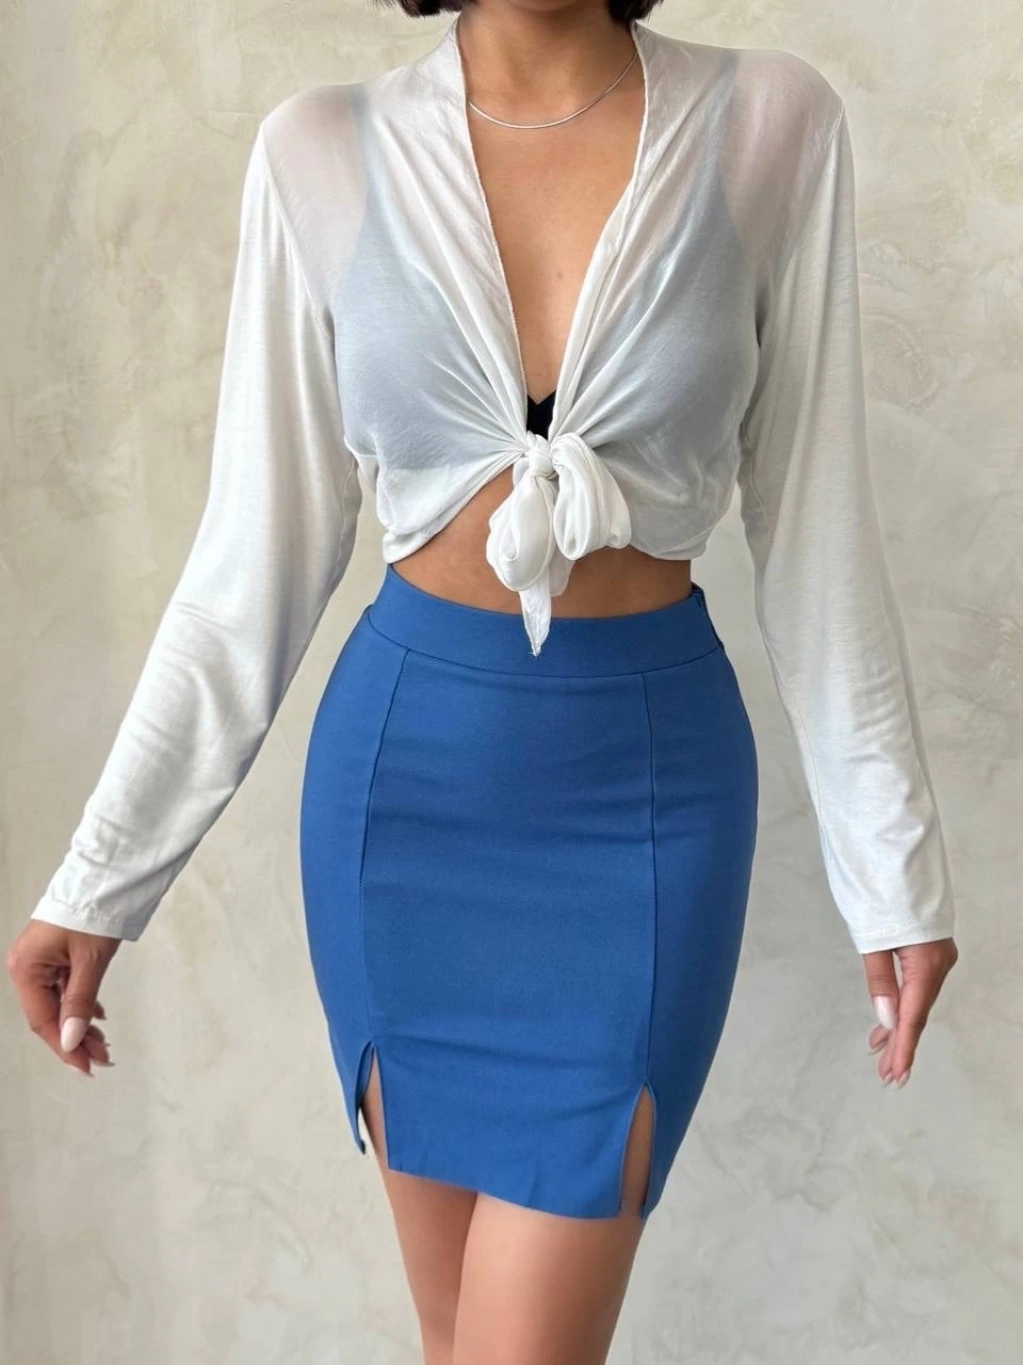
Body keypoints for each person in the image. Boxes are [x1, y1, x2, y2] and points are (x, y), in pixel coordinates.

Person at [8, 0, 958, 1358]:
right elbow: (248, 568)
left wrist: (892, 868)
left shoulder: (772, 125)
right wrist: (99, 881)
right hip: (403, 807)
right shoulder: (318, 150)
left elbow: (821, 537)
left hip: (643, 807)